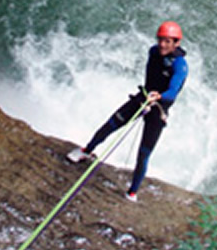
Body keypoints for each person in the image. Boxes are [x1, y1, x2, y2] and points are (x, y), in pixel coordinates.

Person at [67, 21, 188, 203]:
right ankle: (86, 151)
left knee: (144, 153)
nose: (162, 44)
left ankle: (132, 192)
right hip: (143, 97)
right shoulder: (153, 51)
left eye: (167, 41)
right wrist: (148, 95)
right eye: (160, 40)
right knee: (111, 124)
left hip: (158, 108)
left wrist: (159, 96)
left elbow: (173, 91)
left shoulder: (180, 65)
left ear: (176, 43)